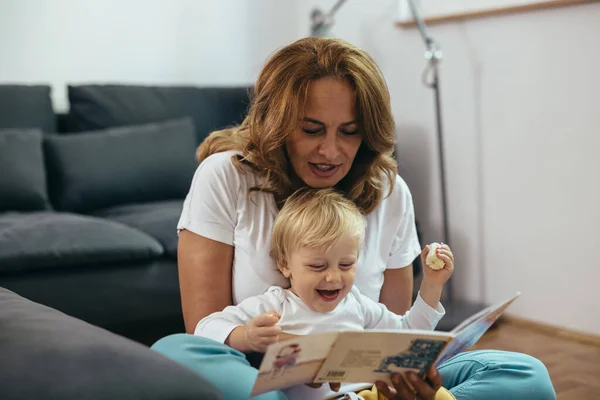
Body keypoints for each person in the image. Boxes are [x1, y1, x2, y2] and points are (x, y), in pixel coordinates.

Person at [151, 37, 555, 400]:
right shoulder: (227, 176)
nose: (331, 151)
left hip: (359, 391)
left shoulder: (389, 191)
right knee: (175, 353)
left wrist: (407, 382)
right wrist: (267, 353)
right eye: (312, 129)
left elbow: (392, 342)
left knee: (523, 375)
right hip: (263, 382)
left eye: (349, 131)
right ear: (277, 124)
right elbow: (205, 334)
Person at [194, 188, 453, 398]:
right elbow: (205, 327)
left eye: (346, 265)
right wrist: (247, 337)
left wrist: (432, 285)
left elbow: (407, 336)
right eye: (317, 266)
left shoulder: (357, 304)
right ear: (285, 265)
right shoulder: (276, 306)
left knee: (441, 396)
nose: (333, 277)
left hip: (364, 396)